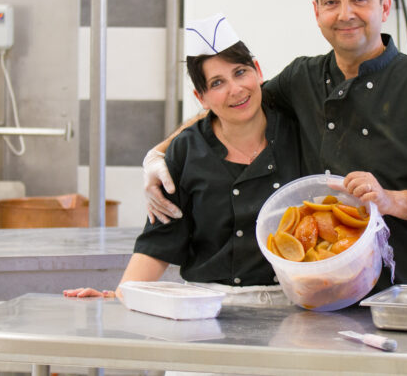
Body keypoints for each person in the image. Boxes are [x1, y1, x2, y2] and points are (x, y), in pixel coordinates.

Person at [143, 0, 407, 291]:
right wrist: (159, 153)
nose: (345, 13)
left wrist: (390, 200)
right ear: (316, 11)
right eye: (331, 1)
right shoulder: (301, 78)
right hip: (324, 295)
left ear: (385, 6)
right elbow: (232, 107)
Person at [65, 15, 302, 301]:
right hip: (207, 306)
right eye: (217, 83)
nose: (235, 89)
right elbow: (161, 236)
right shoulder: (187, 150)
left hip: (293, 301)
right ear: (200, 97)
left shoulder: (297, 132)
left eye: (240, 72)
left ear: (258, 71)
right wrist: (119, 296)